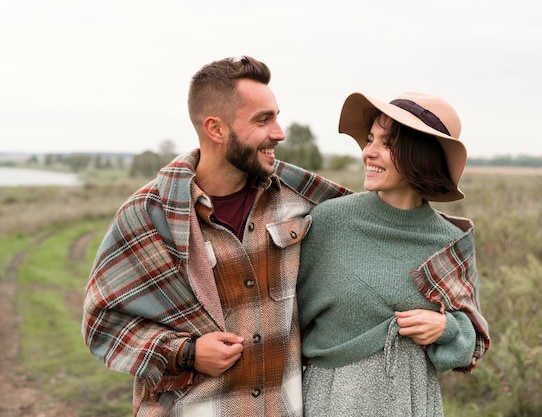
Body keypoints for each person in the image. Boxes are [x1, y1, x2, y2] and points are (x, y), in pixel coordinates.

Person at [81, 56, 350, 416]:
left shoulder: (298, 197)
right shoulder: (149, 213)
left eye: (276, 116)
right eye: (263, 119)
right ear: (216, 129)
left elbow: (380, 224)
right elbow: (102, 321)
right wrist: (185, 352)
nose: (279, 132)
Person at [297, 91, 491, 416]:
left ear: (421, 155)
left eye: (386, 144)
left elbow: (472, 340)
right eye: (369, 139)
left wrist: (446, 328)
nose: (368, 153)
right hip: (334, 401)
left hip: (414, 403)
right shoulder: (330, 221)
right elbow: (285, 317)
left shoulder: (450, 241)